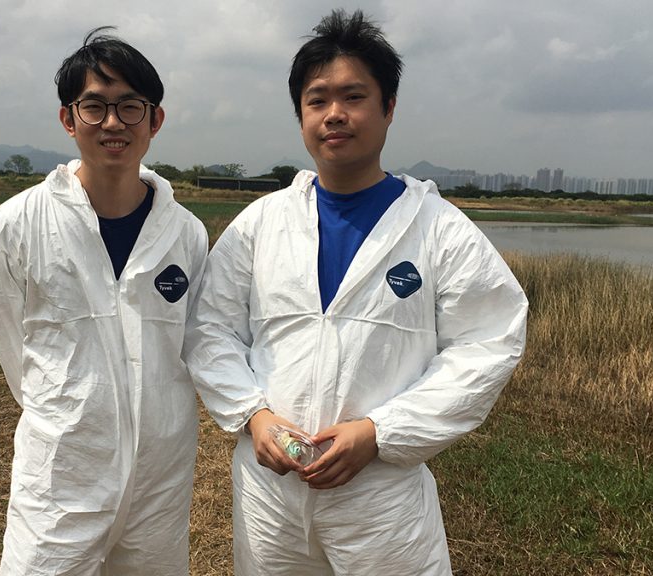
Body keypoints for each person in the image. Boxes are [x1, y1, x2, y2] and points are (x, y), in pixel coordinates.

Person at [184, 9, 528, 575]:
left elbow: (490, 341)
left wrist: (381, 432)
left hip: (381, 499)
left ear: (388, 108)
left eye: (353, 96)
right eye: (317, 100)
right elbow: (210, 328)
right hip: (271, 489)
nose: (334, 114)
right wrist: (253, 415)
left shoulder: (437, 227)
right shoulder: (260, 224)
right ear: (300, 116)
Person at [0, 27, 207, 575]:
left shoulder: (186, 233)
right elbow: (8, 333)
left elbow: (194, 343)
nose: (113, 123)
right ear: (68, 118)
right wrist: (63, 407)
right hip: (62, 468)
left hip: (161, 470)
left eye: (130, 107)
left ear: (155, 120)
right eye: (94, 106)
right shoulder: (20, 222)